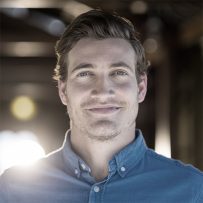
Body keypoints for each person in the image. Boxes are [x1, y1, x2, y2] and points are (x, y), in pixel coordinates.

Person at [0, 9, 203, 203]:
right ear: (63, 91)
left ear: (141, 88)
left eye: (118, 73)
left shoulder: (192, 191)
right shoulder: (12, 190)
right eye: (85, 74)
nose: (103, 91)